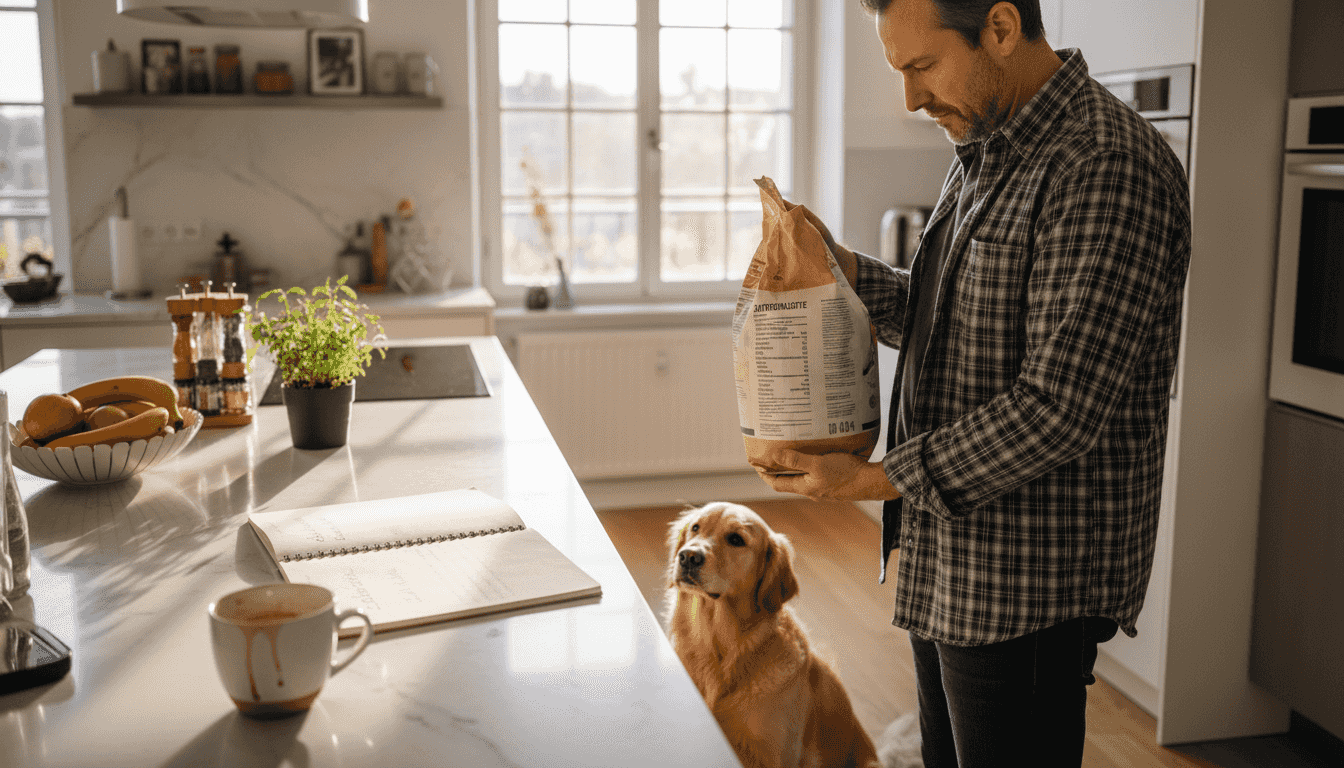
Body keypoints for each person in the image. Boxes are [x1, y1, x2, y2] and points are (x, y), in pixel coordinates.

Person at [757, 1, 1192, 766]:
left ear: (999, 27)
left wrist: (867, 479)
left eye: (922, 67)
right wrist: (843, 271)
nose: (911, 99)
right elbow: (942, 322)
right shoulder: (989, 145)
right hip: (951, 557)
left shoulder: (1104, 164)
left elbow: (1055, 410)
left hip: (1025, 582)